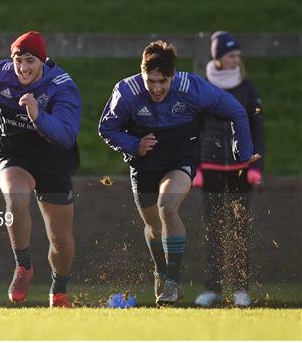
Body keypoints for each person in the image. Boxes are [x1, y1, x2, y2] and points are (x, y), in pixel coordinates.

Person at [98, 40, 260, 305]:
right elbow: (107, 129)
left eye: (163, 81)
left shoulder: (193, 88)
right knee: (152, 225)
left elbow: (236, 111)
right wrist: (134, 145)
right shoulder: (126, 92)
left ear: (173, 76)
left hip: (180, 158)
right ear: (142, 74)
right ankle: (161, 271)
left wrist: (243, 155)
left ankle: (173, 282)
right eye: (151, 81)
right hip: (144, 163)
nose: (157, 88)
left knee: (167, 208)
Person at [0, 31, 81, 308]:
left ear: (43, 61)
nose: (23, 68)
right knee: (15, 198)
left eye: (30, 61)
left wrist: (38, 116)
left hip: (53, 157)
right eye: (18, 60)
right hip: (13, 150)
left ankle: (59, 291)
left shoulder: (62, 86)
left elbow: (66, 135)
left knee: (60, 238)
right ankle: (23, 266)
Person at [193, 32, 265, 307]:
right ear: (218, 57)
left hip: (241, 169)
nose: (237, 59)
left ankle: (240, 289)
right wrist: (195, 167)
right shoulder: (202, 87)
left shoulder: (248, 88)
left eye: (237, 55)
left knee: (239, 228)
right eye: (231, 55)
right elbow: (194, 130)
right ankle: (212, 288)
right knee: (213, 228)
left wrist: (256, 165)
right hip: (209, 167)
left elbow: (258, 130)